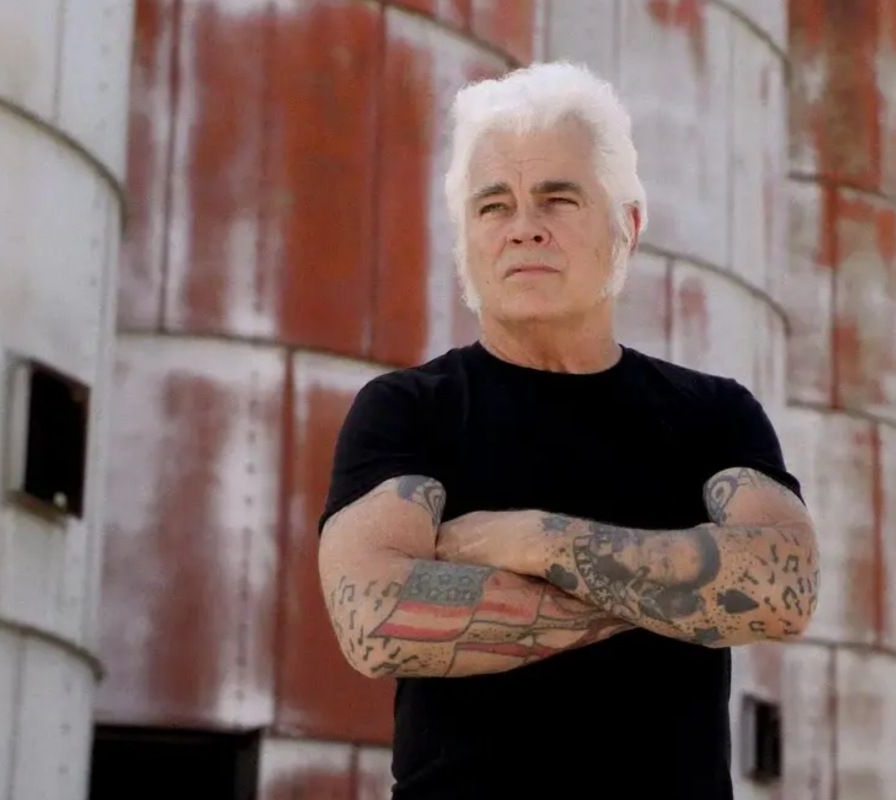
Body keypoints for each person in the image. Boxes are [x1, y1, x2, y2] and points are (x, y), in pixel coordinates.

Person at [316, 60, 819, 800]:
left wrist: (537, 541)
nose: (525, 228)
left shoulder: (712, 412)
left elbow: (784, 589)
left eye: (558, 199)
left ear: (628, 226)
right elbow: (376, 618)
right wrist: (680, 595)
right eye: (494, 206)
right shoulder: (407, 409)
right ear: (466, 240)